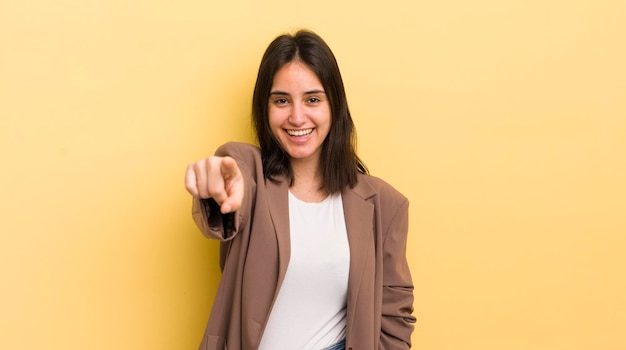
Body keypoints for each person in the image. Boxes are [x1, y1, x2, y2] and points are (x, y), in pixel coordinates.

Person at [185, 29, 416, 350]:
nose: (297, 116)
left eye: (312, 99)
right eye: (281, 100)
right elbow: (229, 176)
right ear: (264, 109)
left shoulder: (384, 205)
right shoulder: (248, 173)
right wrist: (217, 185)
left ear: (334, 105)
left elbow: (394, 315)